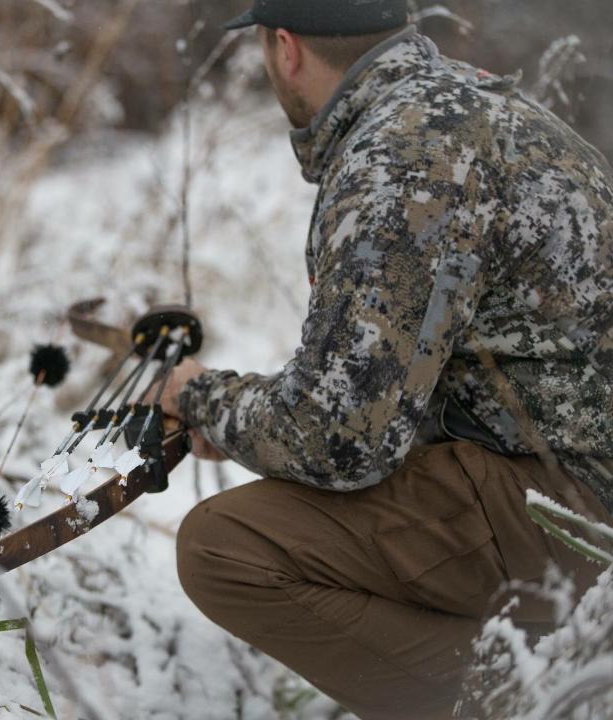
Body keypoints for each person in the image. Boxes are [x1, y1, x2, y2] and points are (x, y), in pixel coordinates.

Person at [155, 1, 613, 717]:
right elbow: (390, 382)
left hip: (578, 509)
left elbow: (340, 437)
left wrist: (203, 398)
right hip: (574, 476)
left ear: (287, 48)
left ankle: (523, 693)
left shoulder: (403, 156)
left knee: (225, 547)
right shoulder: (467, 104)